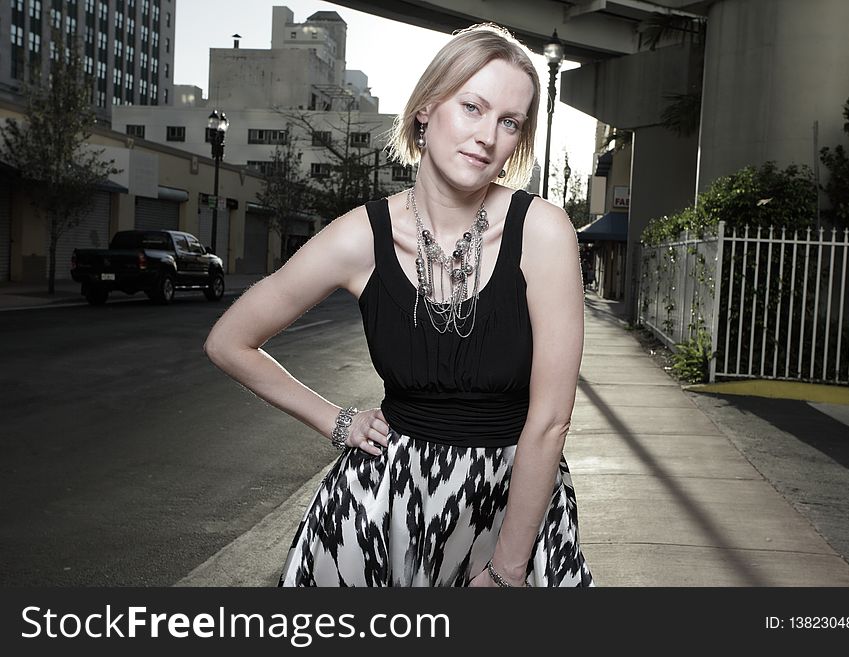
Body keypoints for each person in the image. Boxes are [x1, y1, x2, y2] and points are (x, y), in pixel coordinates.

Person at [204, 23, 595, 588]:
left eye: (509, 121)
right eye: (472, 107)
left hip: (516, 512)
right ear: (426, 108)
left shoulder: (543, 230)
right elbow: (229, 342)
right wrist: (337, 422)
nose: (487, 135)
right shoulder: (359, 236)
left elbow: (551, 419)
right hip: (383, 509)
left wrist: (507, 570)